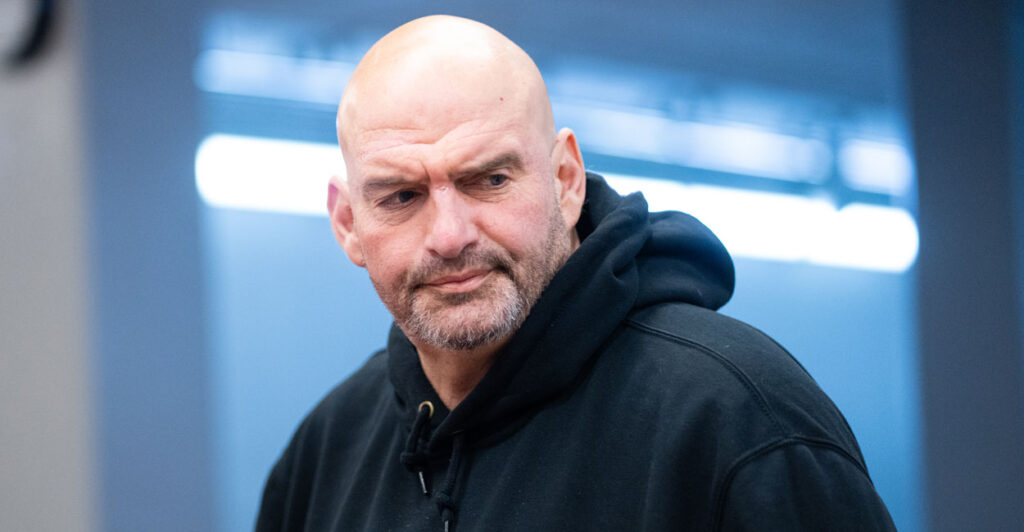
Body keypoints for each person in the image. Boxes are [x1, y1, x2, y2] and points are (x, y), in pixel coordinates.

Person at [256, 15, 896, 532]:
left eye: (491, 179)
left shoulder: (738, 421)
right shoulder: (325, 454)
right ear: (348, 225)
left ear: (565, 181)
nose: (449, 237)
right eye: (401, 197)